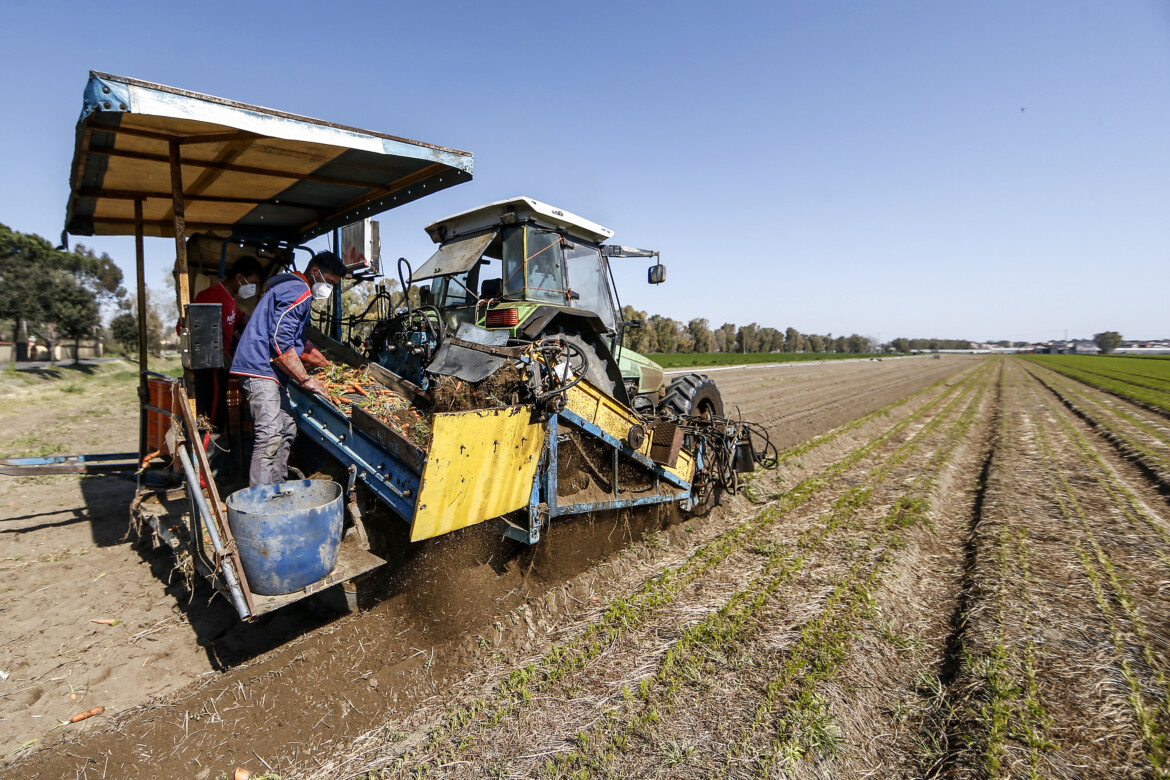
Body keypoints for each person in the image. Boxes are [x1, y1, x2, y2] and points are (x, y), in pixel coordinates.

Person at [230, 252, 346, 486]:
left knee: (286, 428)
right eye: (330, 282)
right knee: (270, 434)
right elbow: (280, 342)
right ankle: (261, 500)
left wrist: (327, 364)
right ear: (315, 272)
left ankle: (278, 488)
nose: (329, 288)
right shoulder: (298, 291)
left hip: (271, 372)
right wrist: (306, 379)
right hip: (260, 368)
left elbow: (298, 342)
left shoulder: (293, 289)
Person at [191, 256, 264, 435]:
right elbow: (185, 326)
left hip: (223, 367)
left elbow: (238, 317)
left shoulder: (230, 299)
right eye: (252, 282)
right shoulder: (210, 296)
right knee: (211, 415)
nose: (252, 287)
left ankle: (214, 450)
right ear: (240, 278)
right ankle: (206, 454)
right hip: (211, 367)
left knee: (220, 413)